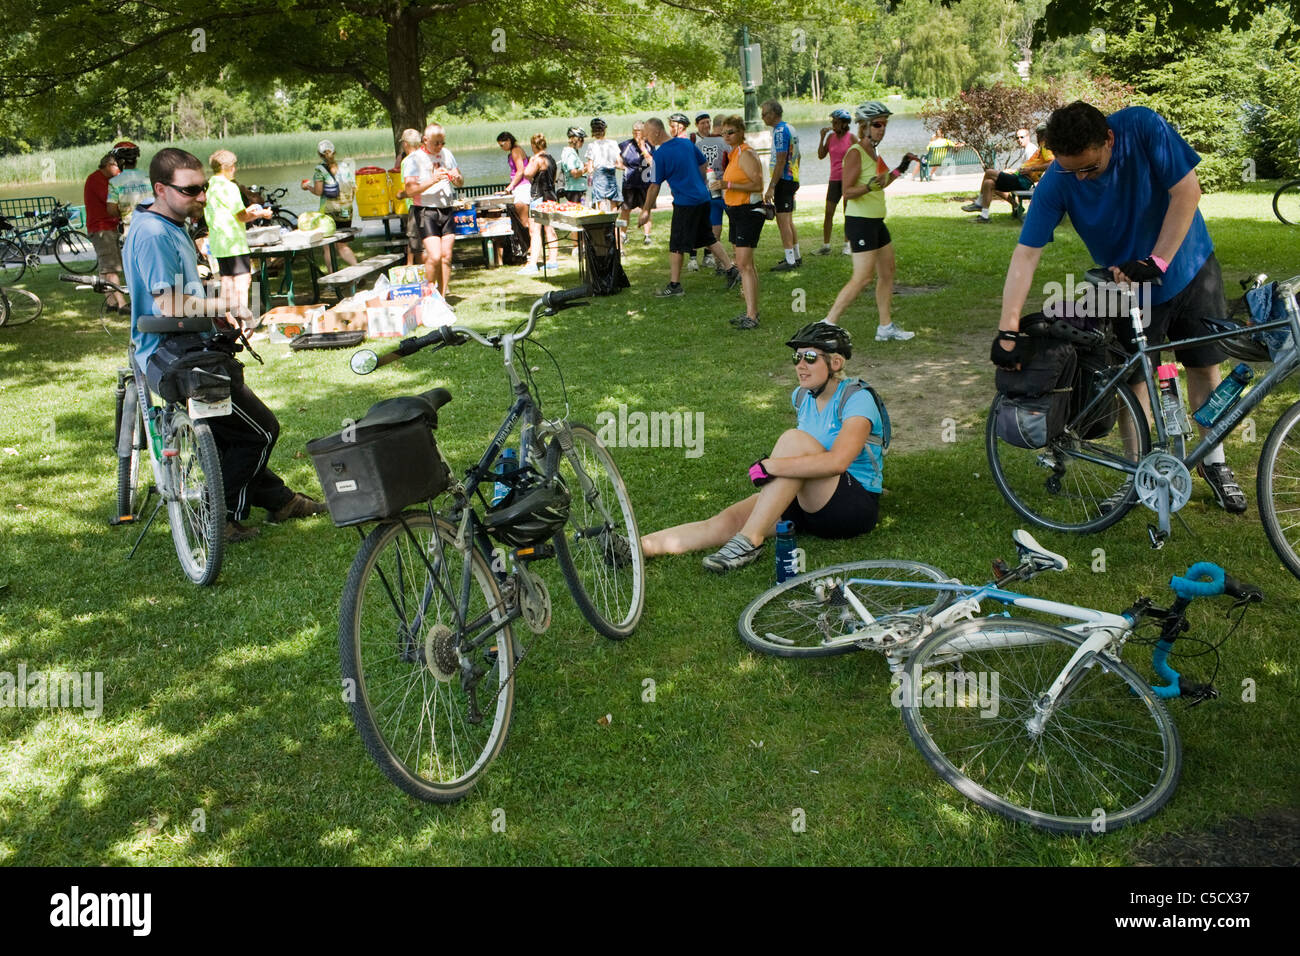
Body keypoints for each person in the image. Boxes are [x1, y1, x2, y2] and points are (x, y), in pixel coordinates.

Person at [994, 100, 1247, 513]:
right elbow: (1026, 254)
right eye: (1070, 168)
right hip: (1125, 288)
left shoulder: (1142, 126)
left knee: (1203, 367)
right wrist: (1008, 328)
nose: (1079, 177)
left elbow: (1187, 191)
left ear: (1109, 139)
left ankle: (1213, 463)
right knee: (1136, 382)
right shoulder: (1059, 178)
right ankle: (1138, 475)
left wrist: (1157, 260)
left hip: (1189, 267)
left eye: (1089, 168)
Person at [122, 148, 327, 542]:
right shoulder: (152, 233)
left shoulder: (167, 221)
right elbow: (168, 304)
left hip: (185, 347)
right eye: (191, 190)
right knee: (260, 431)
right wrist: (227, 302)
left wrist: (209, 298)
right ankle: (222, 516)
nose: (201, 196)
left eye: (203, 187)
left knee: (229, 436)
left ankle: (281, 502)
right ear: (160, 188)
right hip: (174, 358)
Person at [641, 322, 883, 572]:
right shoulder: (801, 396)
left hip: (852, 507)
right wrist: (777, 469)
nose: (800, 365)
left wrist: (771, 466)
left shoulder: (857, 398)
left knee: (794, 440)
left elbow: (838, 462)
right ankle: (638, 548)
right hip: (808, 500)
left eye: (810, 357)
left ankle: (749, 541)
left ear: (835, 363)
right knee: (728, 520)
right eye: (796, 357)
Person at [822, 102, 920, 342]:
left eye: (884, 125)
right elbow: (847, 191)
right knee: (863, 278)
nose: (882, 129)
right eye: (877, 125)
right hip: (861, 222)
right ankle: (826, 325)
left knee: (887, 272)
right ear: (864, 126)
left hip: (877, 221)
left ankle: (885, 327)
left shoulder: (874, 153)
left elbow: (883, 181)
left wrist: (902, 167)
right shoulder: (855, 153)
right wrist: (867, 187)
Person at [639, 116, 741, 298]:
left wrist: (646, 210)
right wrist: (698, 183)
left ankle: (675, 285)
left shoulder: (660, 154)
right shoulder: (686, 144)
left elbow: (654, 186)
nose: (646, 138)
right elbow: (703, 164)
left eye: (647, 134)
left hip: (686, 203)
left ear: (656, 131)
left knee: (676, 244)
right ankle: (732, 270)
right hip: (703, 198)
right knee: (708, 237)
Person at [204, 150, 272, 332]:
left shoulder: (210, 186)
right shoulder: (229, 187)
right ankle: (243, 324)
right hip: (234, 241)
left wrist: (250, 211)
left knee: (226, 283)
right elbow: (241, 216)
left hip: (218, 242)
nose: (234, 170)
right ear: (228, 168)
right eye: (233, 167)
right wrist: (261, 213)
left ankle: (229, 323)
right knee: (242, 282)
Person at [402, 123, 464, 296]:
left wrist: (456, 178)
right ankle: (429, 292)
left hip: (446, 208)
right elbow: (410, 190)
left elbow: (460, 181)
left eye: (442, 143)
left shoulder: (447, 155)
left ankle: (442, 298)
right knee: (435, 256)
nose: (440, 147)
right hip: (425, 211)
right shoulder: (414, 160)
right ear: (425, 140)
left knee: (446, 256)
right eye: (436, 143)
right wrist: (433, 179)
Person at [718, 114, 766, 330]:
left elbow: (757, 185)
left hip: (748, 211)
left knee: (744, 264)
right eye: (723, 133)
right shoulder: (733, 154)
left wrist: (727, 185)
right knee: (746, 264)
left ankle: (752, 315)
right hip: (736, 211)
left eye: (731, 132)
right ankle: (751, 311)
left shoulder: (746, 153)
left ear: (741, 132)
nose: (727, 136)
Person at [964, 124, 1053, 222]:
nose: (1038, 136)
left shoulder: (1046, 146)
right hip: (1019, 177)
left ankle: (979, 203)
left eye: (1040, 134)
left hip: (1023, 180)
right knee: (988, 183)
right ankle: (984, 216)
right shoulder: (1042, 147)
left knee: (989, 172)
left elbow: (1051, 163)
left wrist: (1031, 169)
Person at [301, 139, 359, 271]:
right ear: (334, 152)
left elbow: (319, 191)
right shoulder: (345, 168)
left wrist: (307, 187)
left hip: (328, 212)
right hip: (346, 211)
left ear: (320, 154)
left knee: (327, 246)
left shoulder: (320, 170)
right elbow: (353, 188)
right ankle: (357, 268)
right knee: (342, 245)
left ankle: (333, 279)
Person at [761, 100, 802, 271]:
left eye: (764, 114)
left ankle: (790, 260)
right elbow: (799, 155)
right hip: (791, 179)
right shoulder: (790, 128)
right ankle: (796, 255)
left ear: (773, 114)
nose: (762, 117)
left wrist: (771, 186)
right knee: (789, 220)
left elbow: (780, 160)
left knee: (782, 221)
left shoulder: (779, 131)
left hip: (783, 180)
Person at [84, 153, 127, 313]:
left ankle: (110, 303)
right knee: (111, 267)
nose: (120, 170)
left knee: (104, 267)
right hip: (102, 229)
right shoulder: (96, 180)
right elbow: (113, 200)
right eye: (118, 166)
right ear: (109, 165)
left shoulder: (103, 179)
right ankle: (122, 303)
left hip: (104, 227)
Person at [516, 133, 561, 277]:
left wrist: (529, 162)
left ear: (533, 145)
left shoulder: (537, 159)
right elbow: (553, 178)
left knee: (535, 230)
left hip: (538, 196)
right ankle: (553, 260)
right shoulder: (551, 158)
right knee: (550, 228)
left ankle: (533, 263)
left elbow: (527, 174)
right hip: (551, 196)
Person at [689, 112, 729, 272]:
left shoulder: (699, 145)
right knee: (732, 226)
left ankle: (718, 262)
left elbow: (694, 167)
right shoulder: (726, 144)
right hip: (726, 189)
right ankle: (731, 263)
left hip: (707, 191)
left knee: (714, 227)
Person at [816, 108, 857, 256]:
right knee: (828, 212)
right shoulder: (830, 137)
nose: (833, 124)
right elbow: (821, 155)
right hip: (834, 180)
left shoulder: (852, 138)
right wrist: (822, 137)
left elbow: (861, 156)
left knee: (848, 213)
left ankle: (847, 245)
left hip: (848, 180)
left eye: (836, 122)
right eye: (832, 122)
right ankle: (826, 246)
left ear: (845, 124)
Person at [617, 122, 655, 247]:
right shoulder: (625, 145)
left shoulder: (650, 145)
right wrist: (625, 169)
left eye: (639, 130)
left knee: (646, 208)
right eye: (634, 131)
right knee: (626, 210)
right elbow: (616, 161)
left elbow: (653, 163)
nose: (636, 133)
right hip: (630, 183)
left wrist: (643, 147)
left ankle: (647, 235)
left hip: (645, 182)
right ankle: (623, 234)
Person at [105, 142, 153, 235]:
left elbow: (111, 210)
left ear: (119, 161)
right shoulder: (149, 177)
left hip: (131, 229)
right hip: (152, 225)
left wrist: (122, 214)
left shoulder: (114, 182)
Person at [498, 131, 534, 247]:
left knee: (524, 221)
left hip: (522, 187)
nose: (501, 148)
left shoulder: (515, 151)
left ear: (508, 141)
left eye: (502, 145)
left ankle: (530, 247)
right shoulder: (516, 150)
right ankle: (528, 247)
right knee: (523, 221)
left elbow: (520, 171)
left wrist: (509, 187)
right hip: (520, 187)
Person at [395, 128, 424, 267]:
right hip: (430, 205)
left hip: (415, 206)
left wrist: (400, 195)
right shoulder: (426, 157)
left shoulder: (407, 162)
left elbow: (409, 189)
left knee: (416, 243)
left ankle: (420, 275)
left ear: (405, 144)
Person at [583, 118, 623, 211]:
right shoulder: (613, 143)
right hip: (611, 175)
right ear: (604, 130)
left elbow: (590, 168)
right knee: (613, 200)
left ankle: (604, 223)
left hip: (599, 175)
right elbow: (619, 163)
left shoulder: (591, 146)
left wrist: (589, 169)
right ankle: (613, 222)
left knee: (601, 201)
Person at [559, 127, 588, 203]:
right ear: (574, 139)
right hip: (575, 191)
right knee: (578, 213)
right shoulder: (570, 153)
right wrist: (586, 169)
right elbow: (574, 173)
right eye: (581, 139)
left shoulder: (572, 152)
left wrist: (583, 166)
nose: (582, 142)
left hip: (578, 190)